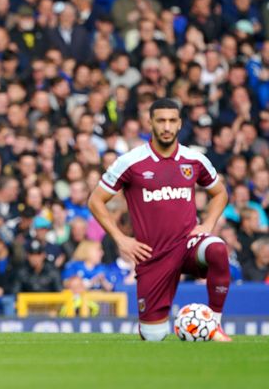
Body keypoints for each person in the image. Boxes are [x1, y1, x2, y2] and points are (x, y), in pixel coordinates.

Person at [88, 98, 232, 342]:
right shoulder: (130, 162)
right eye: (161, 120)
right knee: (154, 337)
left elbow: (220, 193)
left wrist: (207, 226)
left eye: (172, 121)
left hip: (187, 245)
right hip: (151, 256)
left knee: (217, 248)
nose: (166, 127)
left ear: (179, 124)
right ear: (150, 123)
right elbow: (95, 201)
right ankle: (153, 328)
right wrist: (122, 239)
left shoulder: (194, 159)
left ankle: (215, 325)